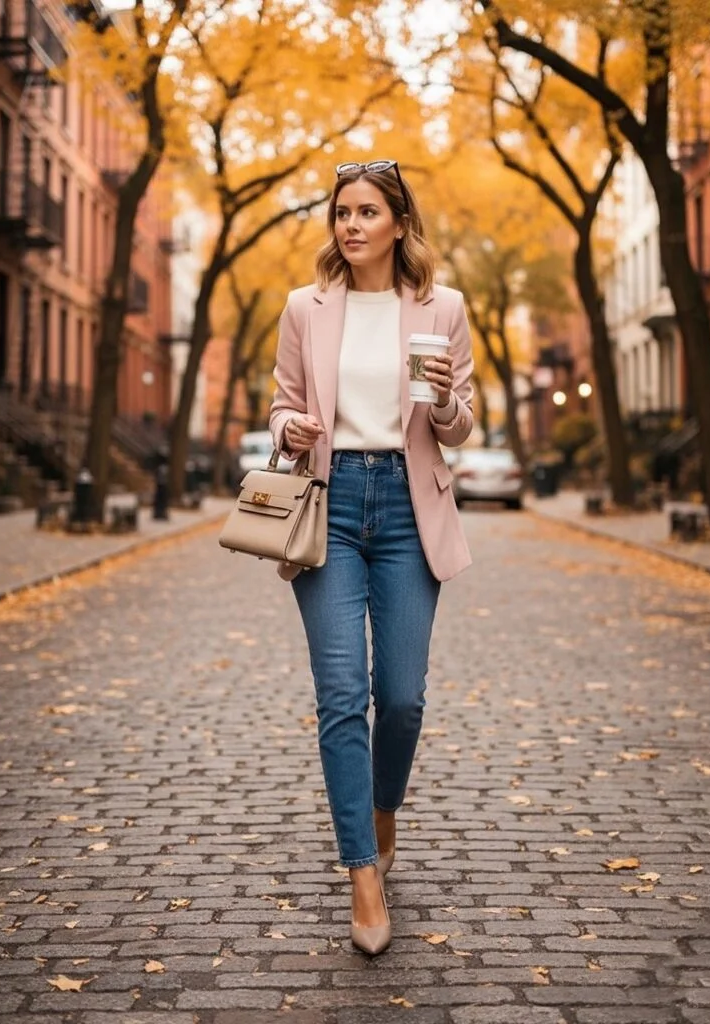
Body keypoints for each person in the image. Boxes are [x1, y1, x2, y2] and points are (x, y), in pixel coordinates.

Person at [268, 159, 474, 955]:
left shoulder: (441, 306)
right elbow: (285, 401)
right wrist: (289, 428)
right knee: (344, 694)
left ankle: (384, 807)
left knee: (404, 695)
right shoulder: (304, 308)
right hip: (331, 501)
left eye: (366, 213)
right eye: (341, 213)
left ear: (397, 223)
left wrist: (447, 402)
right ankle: (362, 870)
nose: (350, 226)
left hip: (405, 506)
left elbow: (458, 424)